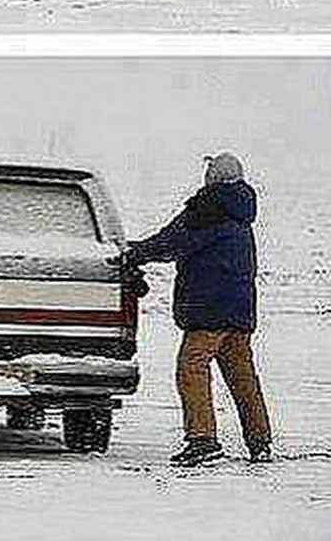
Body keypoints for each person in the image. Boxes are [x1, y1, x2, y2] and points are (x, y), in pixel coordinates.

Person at [121, 152, 273, 467]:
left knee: (191, 366)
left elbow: (172, 242)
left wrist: (134, 253)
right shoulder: (240, 212)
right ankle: (260, 442)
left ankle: (202, 441)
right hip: (239, 309)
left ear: (212, 177)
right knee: (242, 376)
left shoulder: (208, 208)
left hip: (210, 308)